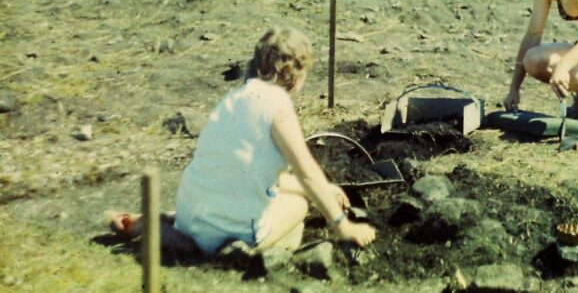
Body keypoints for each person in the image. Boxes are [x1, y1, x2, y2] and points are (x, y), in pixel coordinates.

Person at [105, 28, 376, 255]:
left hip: (189, 218)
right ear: (297, 73)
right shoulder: (278, 104)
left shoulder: (234, 99)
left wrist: (325, 190)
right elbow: (306, 172)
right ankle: (235, 248)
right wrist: (341, 224)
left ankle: (157, 226)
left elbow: (256, 171)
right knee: (299, 205)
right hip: (228, 230)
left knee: (266, 191)